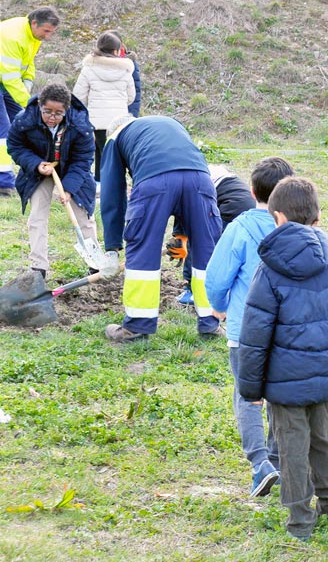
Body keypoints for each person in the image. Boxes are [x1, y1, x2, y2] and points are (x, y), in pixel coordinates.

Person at [237, 177, 328, 541]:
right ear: (317, 217)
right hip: (326, 374)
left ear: (277, 217)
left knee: (291, 446)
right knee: (322, 437)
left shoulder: (270, 269)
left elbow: (255, 334)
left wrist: (250, 386)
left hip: (284, 381)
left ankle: (299, 520)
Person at [204, 156, 294, 498]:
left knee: (247, 396)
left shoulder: (240, 227)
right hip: (284, 331)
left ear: (251, 189)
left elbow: (216, 277)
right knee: (277, 396)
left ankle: (260, 465)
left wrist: (220, 306)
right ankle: (276, 459)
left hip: (245, 331)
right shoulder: (293, 226)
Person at [99, 115, 222, 342]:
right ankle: (211, 322)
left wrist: (112, 247)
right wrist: (181, 234)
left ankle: (136, 326)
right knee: (207, 250)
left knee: (144, 249)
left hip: (154, 182)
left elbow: (112, 194)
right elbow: (181, 174)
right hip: (201, 180)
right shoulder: (172, 123)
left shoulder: (115, 137)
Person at [6, 82, 96, 279]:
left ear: (67, 110)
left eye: (58, 113)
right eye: (47, 112)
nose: (52, 118)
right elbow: (14, 146)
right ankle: (39, 268)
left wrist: (69, 189)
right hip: (40, 171)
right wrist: (36, 164)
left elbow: (83, 159)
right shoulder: (24, 121)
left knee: (83, 216)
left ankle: (94, 262)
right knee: (37, 216)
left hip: (72, 169)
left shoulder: (81, 125)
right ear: (39, 105)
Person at [170, 164, 259, 305]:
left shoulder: (186, 178)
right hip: (250, 205)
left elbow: (184, 208)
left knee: (201, 242)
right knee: (233, 251)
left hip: (230, 205)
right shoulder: (206, 170)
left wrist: (181, 237)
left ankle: (192, 290)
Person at [1, 7, 60, 197]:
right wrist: (30, 102)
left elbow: (28, 64)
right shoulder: (12, 36)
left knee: (22, 123)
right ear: (34, 23)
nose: (49, 36)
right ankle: (3, 182)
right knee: (3, 130)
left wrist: (27, 88)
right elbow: (10, 78)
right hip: (6, 80)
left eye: (52, 32)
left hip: (7, 82)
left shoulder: (33, 35)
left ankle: (32, 169)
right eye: (47, 31)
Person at [72, 31, 135, 187]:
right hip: (120, 121)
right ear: (116, 50)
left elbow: (78, 97)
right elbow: (131, 97)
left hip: (97, 121)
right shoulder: (126, 69)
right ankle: (119, 184)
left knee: (100, 152)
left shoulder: (88, 68)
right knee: (118, 154)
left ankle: (100, 184)